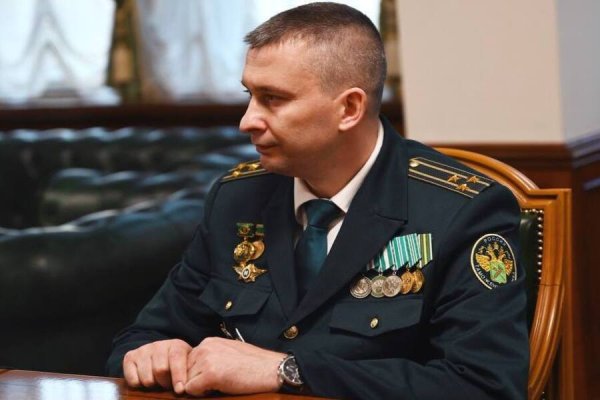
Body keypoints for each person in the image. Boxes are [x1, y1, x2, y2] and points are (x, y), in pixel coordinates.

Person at [106, 3, 529, 399]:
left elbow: (484, 385)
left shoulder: (459, 210)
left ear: (349, 108)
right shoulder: (237, 198)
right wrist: (153, 354)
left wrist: (288, 370)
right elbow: (143, 336)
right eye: (249, 95)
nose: (247, 121)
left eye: (273, 99)